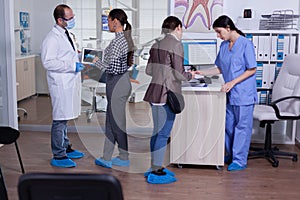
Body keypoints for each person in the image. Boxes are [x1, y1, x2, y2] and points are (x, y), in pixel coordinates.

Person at [197, 15, 257, 171]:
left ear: (228, 28)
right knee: (228, 125)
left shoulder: (246, 44)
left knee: (242, 127)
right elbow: (220, 68)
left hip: (243, 93)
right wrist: (201, 73)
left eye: (219, 31)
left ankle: (239, 160)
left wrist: (232, 82)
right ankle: (231, 154)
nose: (218, 35)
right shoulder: (224, 46)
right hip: (229, 94)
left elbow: (252, 69)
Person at [143, 16, 195, 184]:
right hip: (167, 94)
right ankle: (157, 170)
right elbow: (180, 74)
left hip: (154, 93)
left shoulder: (156, 44)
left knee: (157, 132)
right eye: (182, 29)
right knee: (163, 133)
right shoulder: (176, 45)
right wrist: (190, 75)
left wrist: (163, 71)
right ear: (178, 27)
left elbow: (149, 70)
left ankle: (154, 166)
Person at [41, 4, 85, 168]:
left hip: (69, 82)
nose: (73, 20)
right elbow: (48, 62)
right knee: (59, 119)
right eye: (70, 18)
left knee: (65, 118)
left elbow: (68, 54)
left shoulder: (66, 34)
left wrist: (81, 56)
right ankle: (59, 155)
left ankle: (66, 147)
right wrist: (71, 66)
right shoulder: (51, 38)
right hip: (60, 84)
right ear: (60, 20)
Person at [92, 8, 135, 168]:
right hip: (119, 82)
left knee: (116, 122)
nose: (107, 24)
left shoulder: (118, 41)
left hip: (117, 82)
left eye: (108, 20)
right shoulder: (121, 39)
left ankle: (124, 157)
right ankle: (107, 156)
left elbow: (113, 68)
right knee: (111, 120)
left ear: (115, 21)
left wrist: (96, 61)